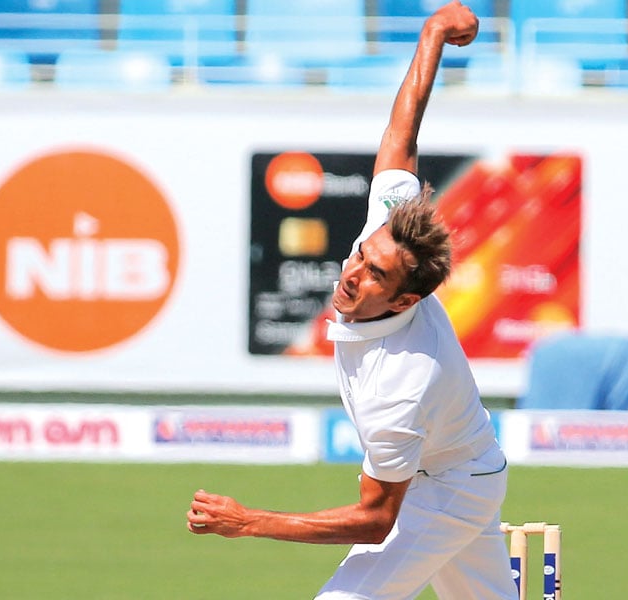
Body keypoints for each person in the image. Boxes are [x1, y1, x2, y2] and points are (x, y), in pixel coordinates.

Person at [187, 2, 517, 598]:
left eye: (374, 276)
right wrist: (434, 32)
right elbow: (402, 133)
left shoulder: (403, 379)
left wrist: (248, 522)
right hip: (464, 465)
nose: (352, 272)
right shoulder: (382, 235)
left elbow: (375, 518)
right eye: (362, 255)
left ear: (403, 300)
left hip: (444, 489)